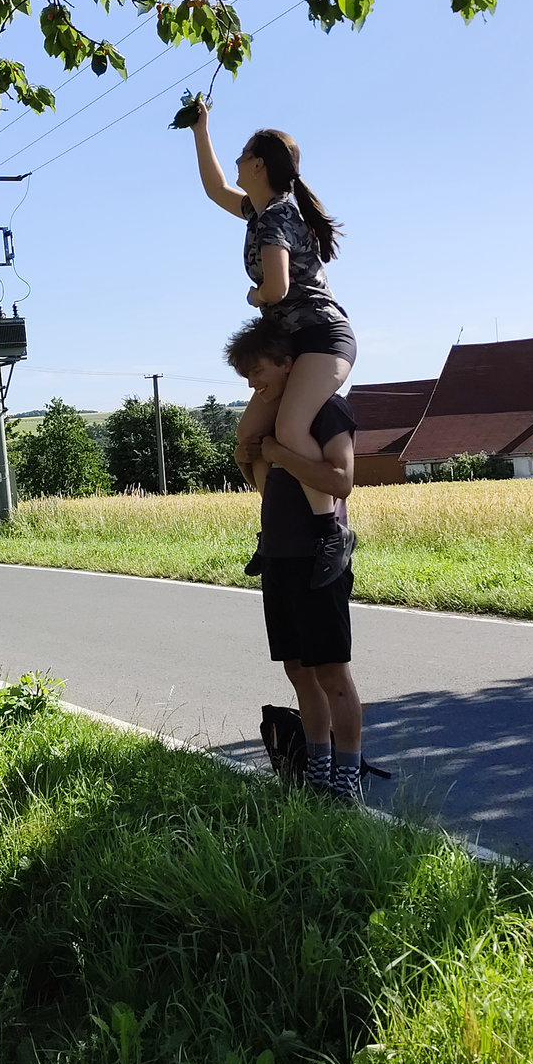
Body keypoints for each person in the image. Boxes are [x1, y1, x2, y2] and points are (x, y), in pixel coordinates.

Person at [189, 97, 357, 588]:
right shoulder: (257, 210)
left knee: (288, 429)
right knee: (248, 439)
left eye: (243, 155)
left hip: (321, 338)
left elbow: (278, 288)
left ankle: (331, 533)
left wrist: (254, 295)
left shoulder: (276, 217)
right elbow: (214, 188)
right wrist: (201, 130)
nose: (237, 163)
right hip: (291, 344)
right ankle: (277, 526)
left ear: (260, 166)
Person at [226, 317, 366, 803]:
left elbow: (341, 481)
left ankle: (347, 780)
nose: (252, 385)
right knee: (298, 671)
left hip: (319, 559)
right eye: (246, 377)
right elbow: (269, 491)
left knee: (332, 674)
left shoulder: (329, 409)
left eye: (257, 372)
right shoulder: (273, 422)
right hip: (278, 557)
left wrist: (280, 453)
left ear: (289, 364)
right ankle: (318, 774)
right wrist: (252, 459)